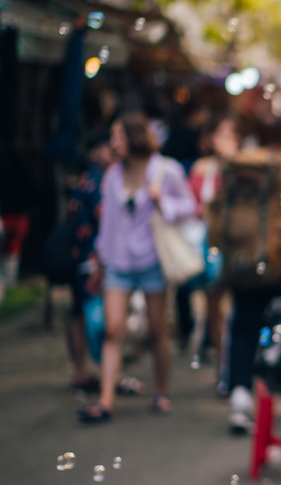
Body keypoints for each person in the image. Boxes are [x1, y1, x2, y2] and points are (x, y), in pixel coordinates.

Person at [79, 112, 197, 423]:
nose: (113, 143)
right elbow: (107, 224)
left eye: (118, 136)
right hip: (118, 261)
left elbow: (190, 207)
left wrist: (162, 203)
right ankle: (106, 400)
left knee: (157, 330)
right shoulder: (112, 176)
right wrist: (99, 263)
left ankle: (161, 389)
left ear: (134, 137)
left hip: (152, 260)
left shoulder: (166, 171)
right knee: (112, 329)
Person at [222, 118, 281, 434]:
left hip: (243, 260)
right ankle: (277, 395)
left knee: (243, 325)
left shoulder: (237, 167)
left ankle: (240, 396)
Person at [183, 115, 239, 378]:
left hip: (236, 243)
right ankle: (221, 366)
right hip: (208, 242)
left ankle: (230, 366)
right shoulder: (202, 169)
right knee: (213, 305)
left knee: (233, 307)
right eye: (219, 134)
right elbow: (189, 202)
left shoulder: (242, 167)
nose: (222, 141)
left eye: (228, 135)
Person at [64, 131, 113, 394]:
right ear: (95, 152)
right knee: (88, 314)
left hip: (85, 258)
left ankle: (84, 371)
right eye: (107, 147)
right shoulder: (96, 182)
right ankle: (88, 371)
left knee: (80, 312)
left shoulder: (92, 180)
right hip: (90, 260)